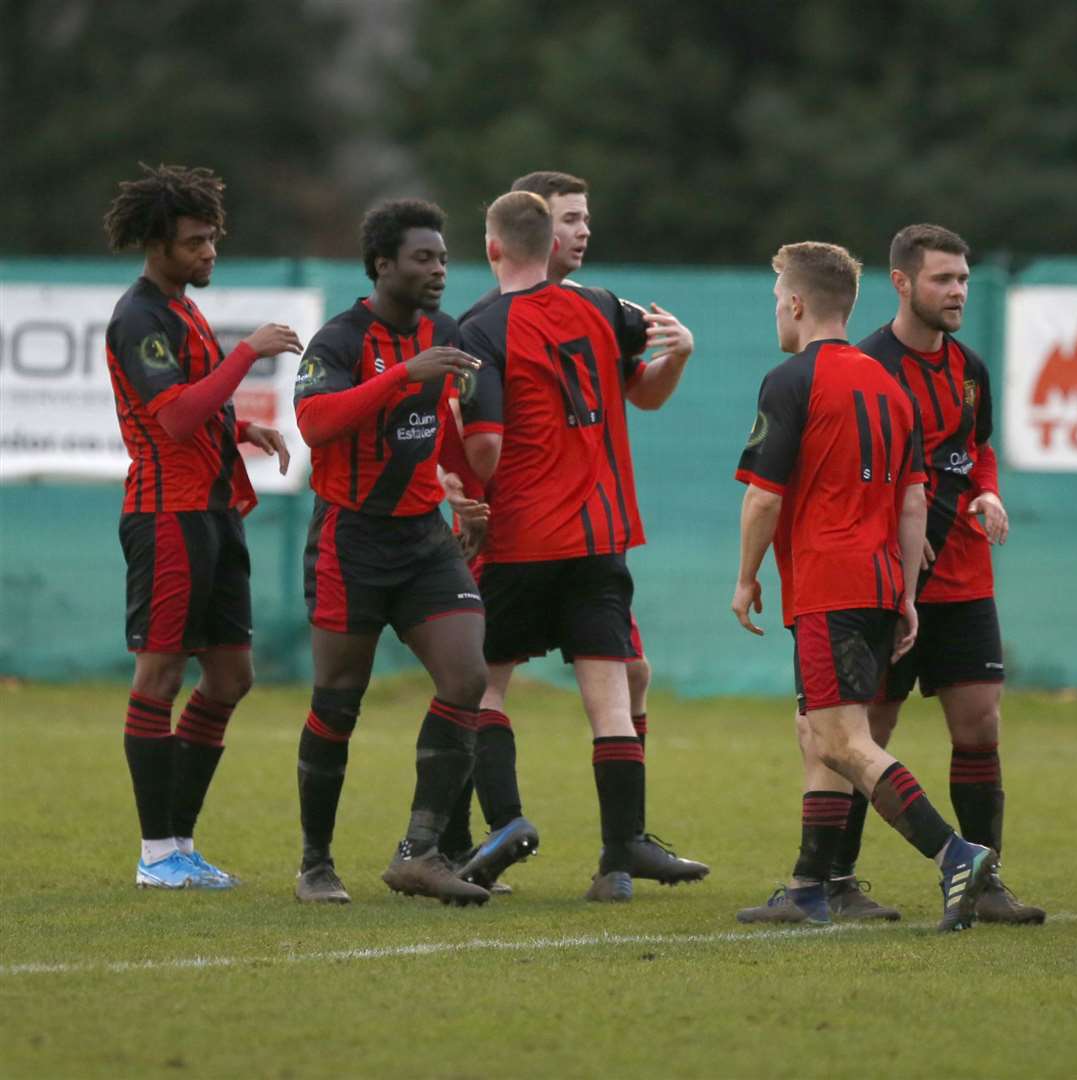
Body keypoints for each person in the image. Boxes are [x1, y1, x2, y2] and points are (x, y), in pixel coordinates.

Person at [440, 171, 706, 888]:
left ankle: (516, 828)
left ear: (494, 244)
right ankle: (618, 846)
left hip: (524, 534)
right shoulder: (604, 310)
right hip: (597, 533)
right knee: (610, 695)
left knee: (484, 688)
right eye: (571, 219)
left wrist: (455, 487)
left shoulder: (480, 328)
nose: (582, 231)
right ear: (542, 233)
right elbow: (634, 389)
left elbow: (482, 439)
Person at [732, 240, 1001, 932]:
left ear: (794, 303)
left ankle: (955, 853)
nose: (776, 313)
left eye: (775, 301)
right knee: (822, 735)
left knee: (845, 740)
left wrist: (744, 578)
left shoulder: (790, 380)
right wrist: (907, 594)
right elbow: (913, 503)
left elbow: (764, 497)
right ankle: (810, 887)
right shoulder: (891, 384)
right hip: (883, 582)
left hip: (828, 583)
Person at [814, 223, 1044, 924]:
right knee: (868, 734)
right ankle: (839, 880)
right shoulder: (864, 366)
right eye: (943, 280)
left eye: (963, 280)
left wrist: (987, 491)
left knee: (979, 724)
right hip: (886, 581)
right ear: (902, 283)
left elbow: (976, 450)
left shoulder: (969, 369)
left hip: (964, 581)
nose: (957, 292)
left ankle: (987, 880)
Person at [291, 199, 502, 905]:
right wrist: (400, 378)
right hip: (350, 541)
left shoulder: (445, 332)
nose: (438, 269)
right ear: (383, 265)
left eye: (443, 258)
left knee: (466, 677)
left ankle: (420, 851)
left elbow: (443, 430)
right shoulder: (340, 339)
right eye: (422, 257)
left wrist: (463, 499)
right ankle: (315, 864)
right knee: (337, 704)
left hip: (422, 540)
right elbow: (315, 423)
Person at [103, 163, 300, 889]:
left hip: (214, 513)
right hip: (168, 518)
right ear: (157, 243)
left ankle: (180, 841)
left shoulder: (181, 308)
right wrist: (249, 351)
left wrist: (243, 429)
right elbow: (175, 417)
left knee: (230, 677)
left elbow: (195, 405)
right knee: (159, 675)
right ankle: (157, 853)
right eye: (195, 241)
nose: (209, 252)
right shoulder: (138, 317)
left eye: (213, 238)